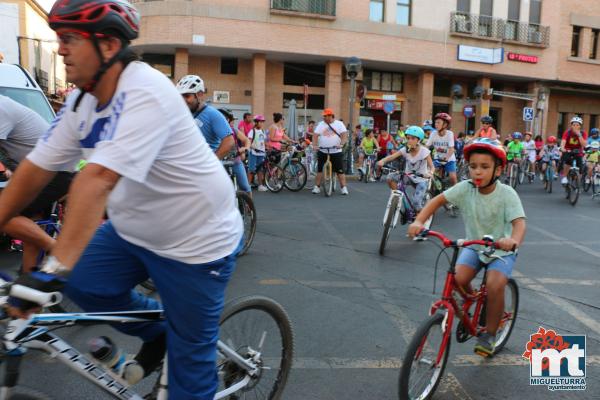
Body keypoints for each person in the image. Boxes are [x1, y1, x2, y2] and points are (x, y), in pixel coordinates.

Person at [0, 2, 244, 399]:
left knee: (190, 374)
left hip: (197, 244)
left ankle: (181, 346)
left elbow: (94, 181)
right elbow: (33, 171)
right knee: (82, 280)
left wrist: (50, 272)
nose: (60, 49)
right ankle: (160, 332)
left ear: (109, 44)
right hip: (134, 231)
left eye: (69, 39)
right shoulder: (82, 102)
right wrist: (61, 270)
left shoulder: (147, 92)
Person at [408, 138, 526, 357]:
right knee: (458, 280)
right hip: (474, 245)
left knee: (494, 284)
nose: (477, 172)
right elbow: (436, 201)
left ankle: (490, 333)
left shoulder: (507, 193)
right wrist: (418, 221)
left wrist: (513, 240)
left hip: (501, 250)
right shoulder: (466, 188)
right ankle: (474, 301)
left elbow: (519, 223)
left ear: (498, 170)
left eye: (484, 167)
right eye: (473, 167)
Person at [0, 95, 74, 273]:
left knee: (4, 214)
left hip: (52, 173)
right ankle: (27, 282)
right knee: (30, 227)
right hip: (46, 172)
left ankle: (59, 253)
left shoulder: (1, 107)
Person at [377, 126, 433, 213]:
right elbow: (392, 157)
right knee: (390, 177)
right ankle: (397, 198)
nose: (409, 140)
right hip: (408, 176)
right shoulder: (405, 150)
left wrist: (430, 173)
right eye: (408, 138)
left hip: (421, 179)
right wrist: (382, 161)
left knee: (416, 203)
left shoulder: (424, 152)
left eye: (413, 138)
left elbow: (432, 166)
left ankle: (422, 218)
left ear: (419, 140)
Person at [311, 108, 349, 195]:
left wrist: (342, 144)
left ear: (331, 116)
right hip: (323, 150)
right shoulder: (321, 124)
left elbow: (344, 135)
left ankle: (343, 187)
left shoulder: (339, 124)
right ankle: (317, 187)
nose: (324, 117)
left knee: (340, 170)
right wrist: (314, 145)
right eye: (323, 116)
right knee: (320, 169)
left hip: (336, 150)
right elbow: (315, 135)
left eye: (325, 116)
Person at [218, 108, 252, 194]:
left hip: (235, 162)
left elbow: (246, 140)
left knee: (246, 188)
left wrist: (245, 148)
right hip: (219, 164)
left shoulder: (234, 130)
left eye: (230, 119)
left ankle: (250, 207)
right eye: (231, 119)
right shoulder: (214, 131)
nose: (232, 122)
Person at [427, 113, 457, 186]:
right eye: (435, 122)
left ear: (445, 125)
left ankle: (456, 192)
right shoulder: (433, 134)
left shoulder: (450, 134)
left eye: (438, 122)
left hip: (449, 159)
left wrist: (446, 158)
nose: (436, 124)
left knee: (453, 178)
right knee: (429, 174)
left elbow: (451, 149)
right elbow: (427, 146)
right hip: (437, 158)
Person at [559, 116, 587, 185]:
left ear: (580, 126)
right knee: (567, 162)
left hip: (578, 150)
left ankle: (577, 182)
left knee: (580, 166)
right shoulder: (567, 132)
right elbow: (563, 142)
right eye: (573, 125)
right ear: (571, 125)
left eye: (577, 125)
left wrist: (579, 135)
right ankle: (564, 177)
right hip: (568, 149)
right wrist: (562, 148)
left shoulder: (583, 133)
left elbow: (584, 145)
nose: (575, 126)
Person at [247, 115, 269, 192]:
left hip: (261, 153)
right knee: (252, 169)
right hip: (253, 153)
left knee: (260, 169)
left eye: (263, 122)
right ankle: (248, 186)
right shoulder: (252, 131)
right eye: (261, 122)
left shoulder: (263, 131)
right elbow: (248, 142)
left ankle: (260, 186)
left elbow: (264, 141)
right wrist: (254, 148)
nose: (262, 123)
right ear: (256, 122)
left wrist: (267, 147)